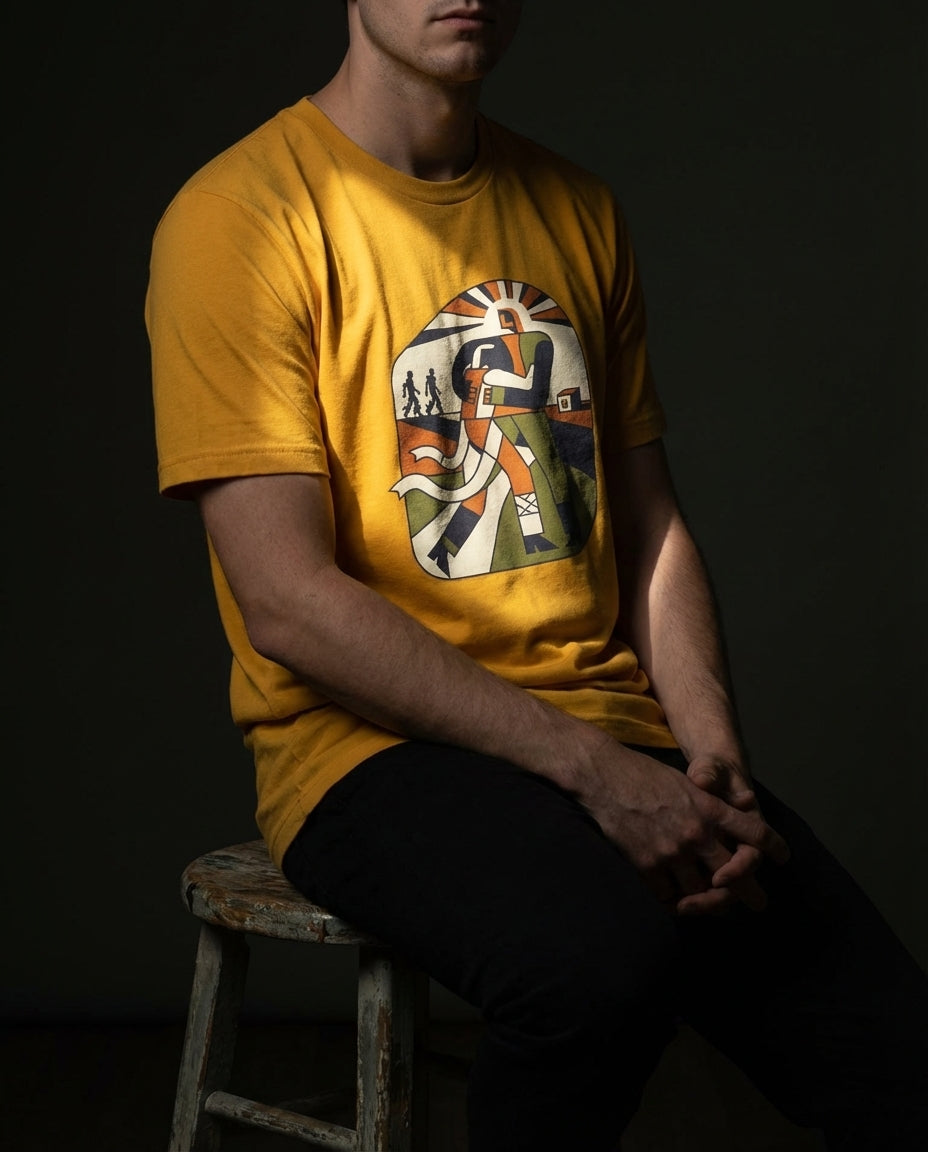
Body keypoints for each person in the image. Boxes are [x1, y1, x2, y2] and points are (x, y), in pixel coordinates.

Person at [145, 3, 927, 1149]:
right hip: (371, 752)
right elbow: (288, 604)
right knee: (596, 963)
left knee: (889, 1051)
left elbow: (650, 525)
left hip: (612, 732)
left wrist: (708, 759)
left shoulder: (577, 207)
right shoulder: (239, 218)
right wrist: (601, 777)